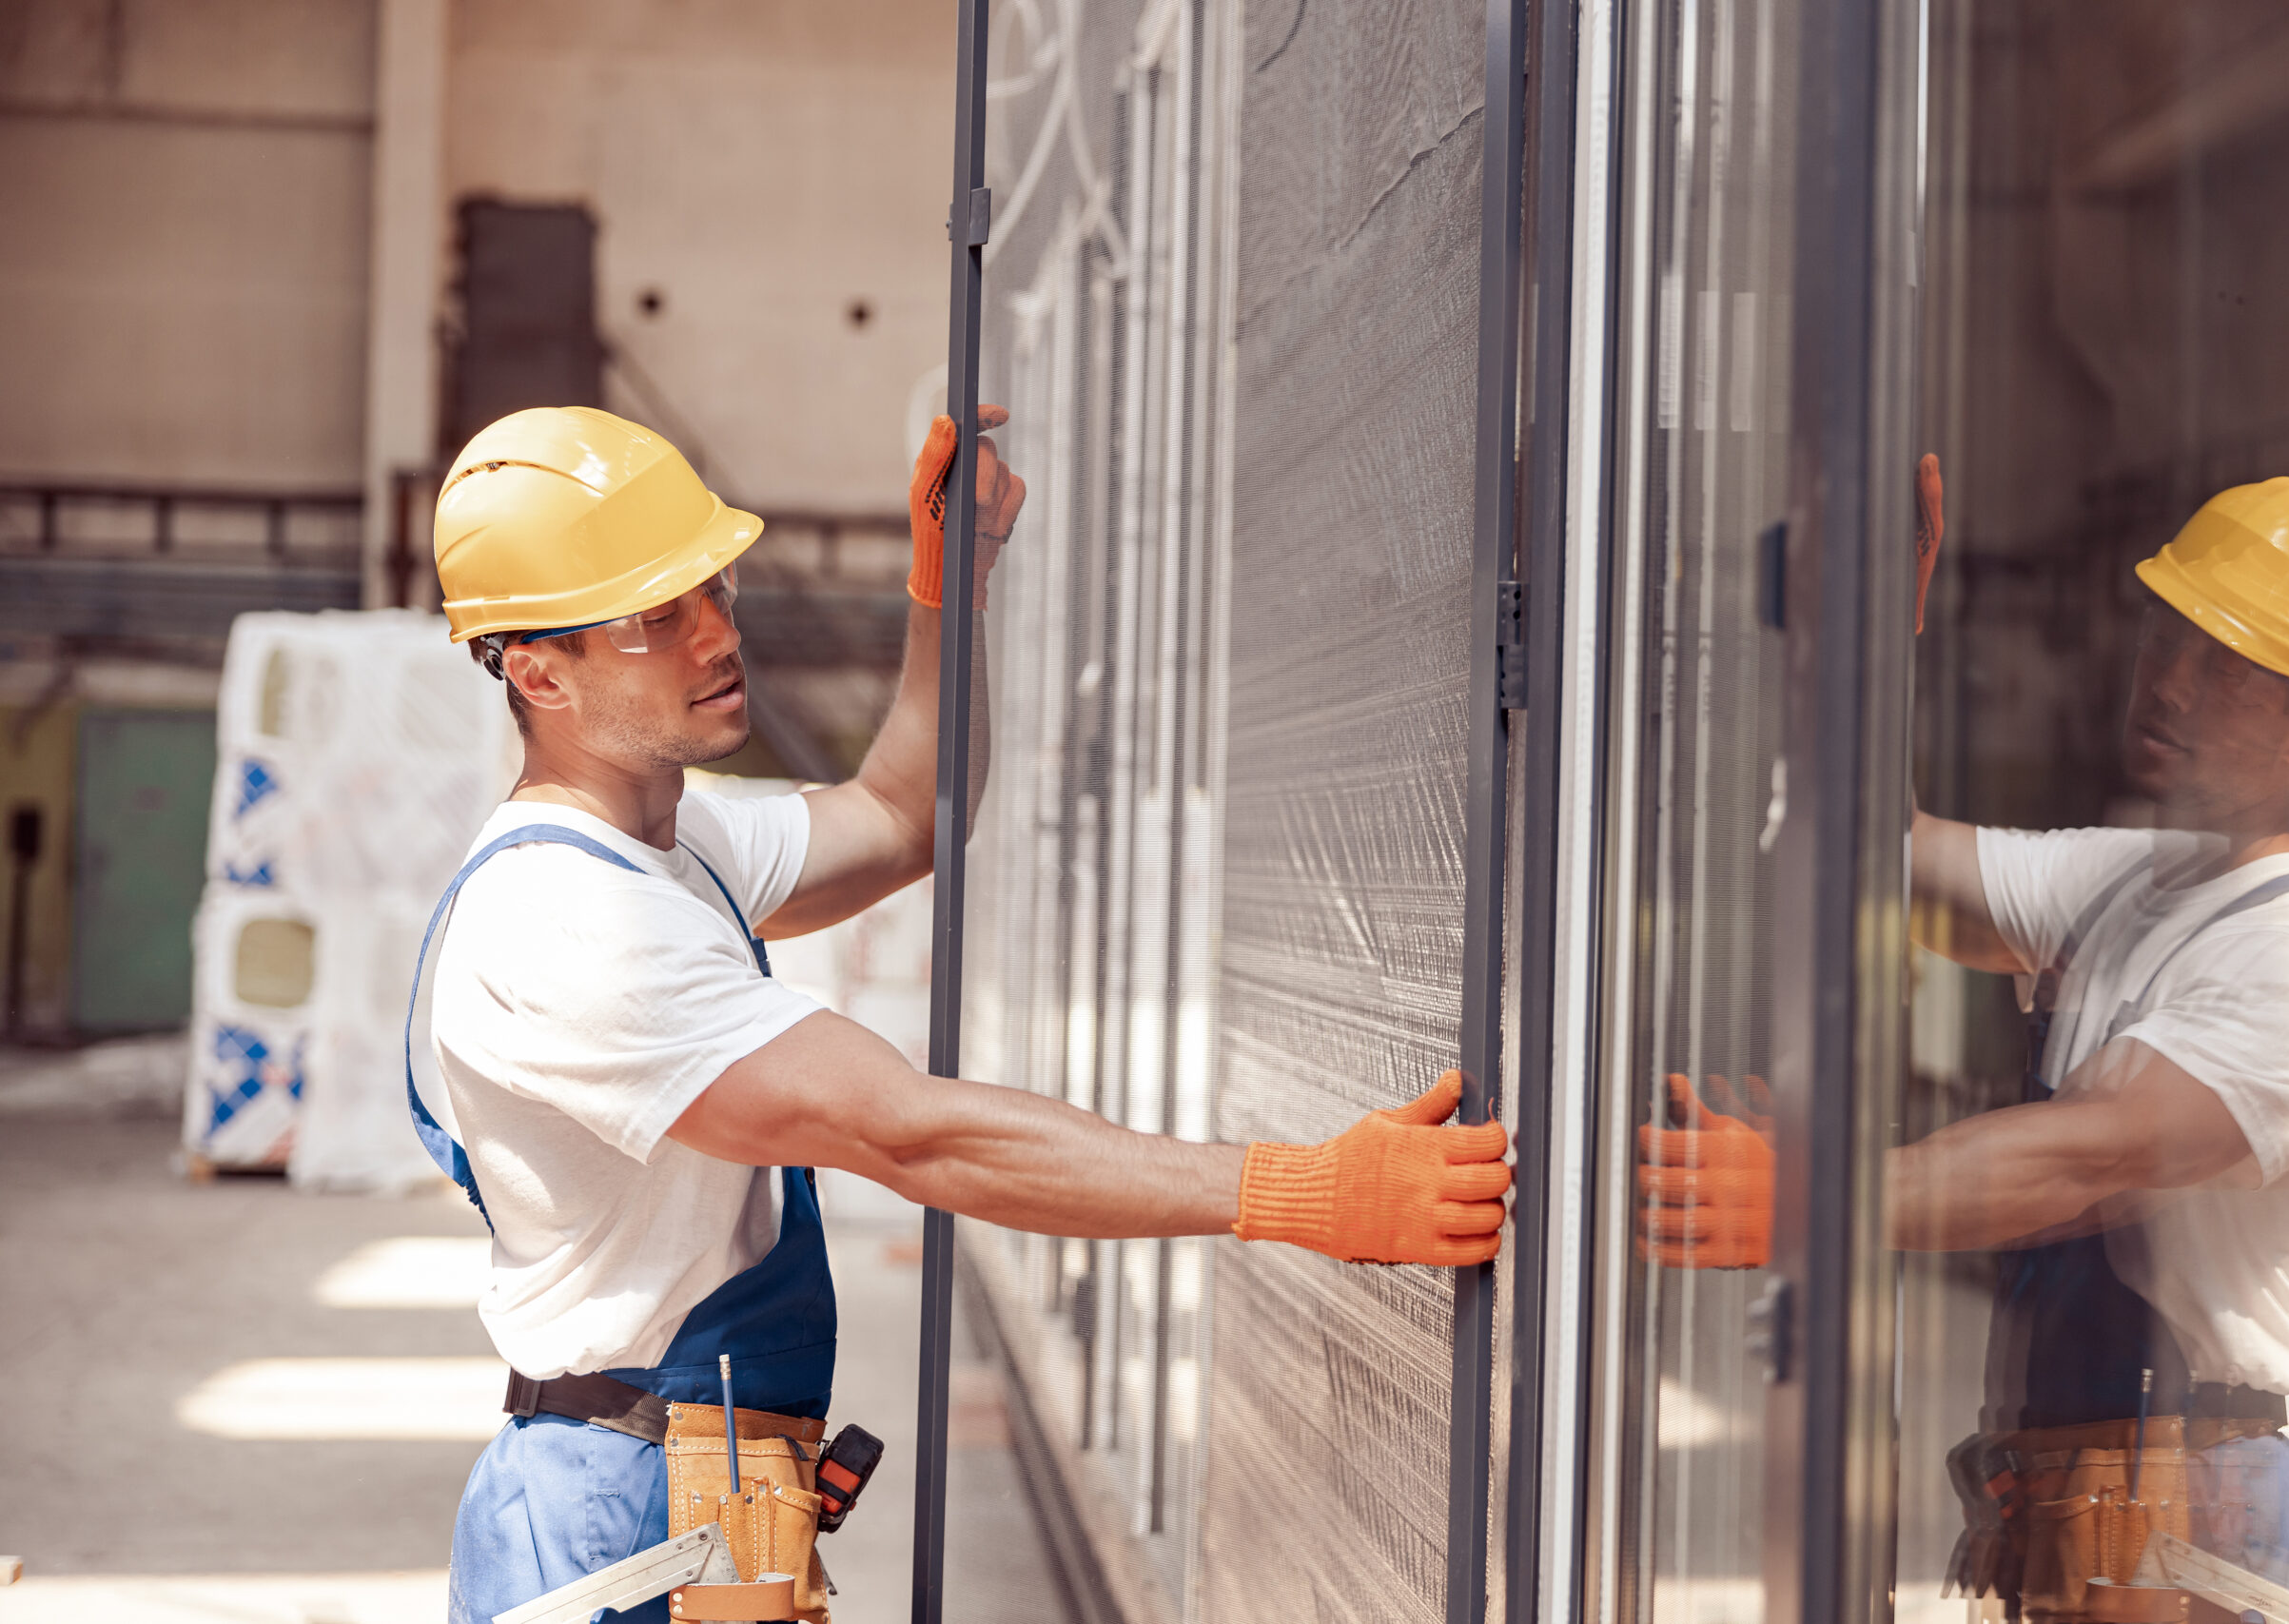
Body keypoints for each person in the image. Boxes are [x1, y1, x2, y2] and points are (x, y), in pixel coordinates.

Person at [408, 404, 1511, 1624]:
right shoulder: (566, 920)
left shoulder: (673, 839)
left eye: (713, 590)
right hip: (615, 1528)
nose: (718, 634)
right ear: (537, 669)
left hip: (685, 1493)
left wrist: (949, 585)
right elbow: (907, 1135)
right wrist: (1301, 1193)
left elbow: (902, 813)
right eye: (657, 618)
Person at [1641, 474, 2289, 1620]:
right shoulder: (2137, 880)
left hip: (2192, 1504)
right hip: (2087, 1490)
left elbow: (2090, 1163)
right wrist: (1874, 633)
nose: (2172, 686)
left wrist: (1815, 1199)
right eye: (2167, 639)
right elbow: (1879, 859)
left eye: (2229, 670)